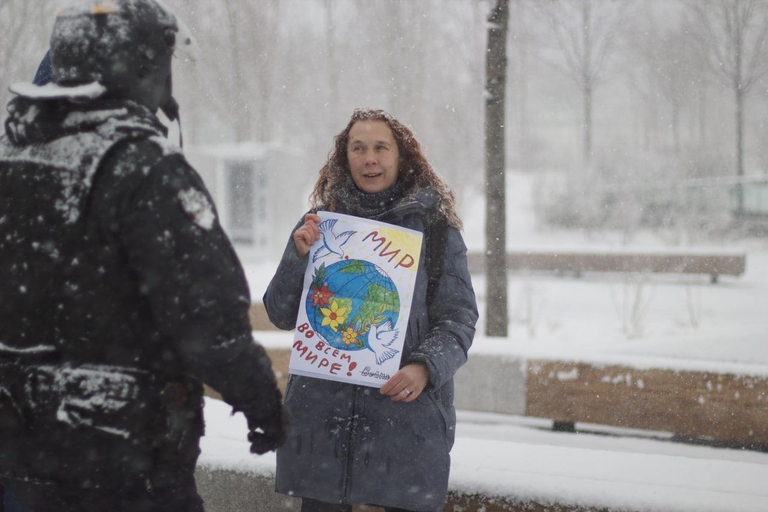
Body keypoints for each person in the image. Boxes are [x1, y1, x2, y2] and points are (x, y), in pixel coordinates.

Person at [0, 1, 288, 511]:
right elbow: (207, 319)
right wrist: (262, 403)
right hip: (120, 457)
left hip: (17, 451)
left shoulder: (11, 161)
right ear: (142, 67)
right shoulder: (148, 171)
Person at [263, 108, 478, 512]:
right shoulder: (319, 225)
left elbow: (459, 319)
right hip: (321, 428)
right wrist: (298, 258)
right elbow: (280, 313)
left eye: (381, 147)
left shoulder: (435, 230)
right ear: (345, 158)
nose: (369, 159)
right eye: (358, 148)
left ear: (402, 157)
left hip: (403, 425)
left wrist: (425, 367)